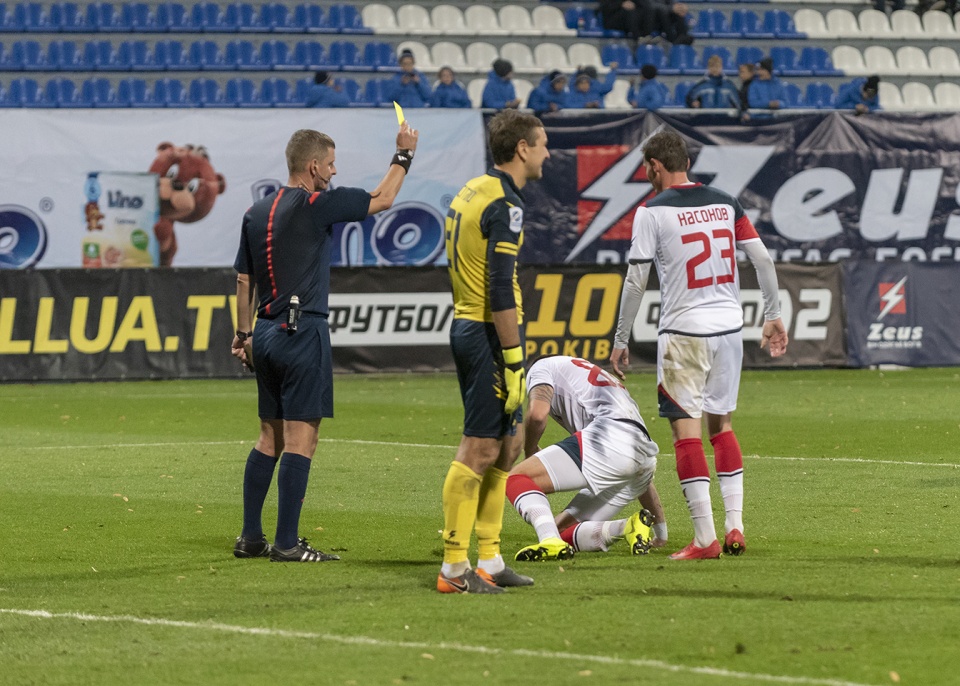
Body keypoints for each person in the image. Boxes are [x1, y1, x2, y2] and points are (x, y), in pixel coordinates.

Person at [231, 123, 419, 562]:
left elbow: (242, 279)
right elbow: (383, 198)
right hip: (302, 332)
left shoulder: (256, 212)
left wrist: (243, 336)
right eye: (331, 164)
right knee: (302, 440)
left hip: (264, 333)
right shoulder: (316, 205)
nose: (334, 172)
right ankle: (286, 543)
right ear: (313, 166)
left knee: (269, 437)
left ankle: (251, 537)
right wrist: (404, 155)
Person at [609, 131, 788, 560]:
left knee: (685, 434)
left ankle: (705, 539)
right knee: (722, 427)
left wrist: (620, 338)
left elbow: (636, 280)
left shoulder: (651, 211)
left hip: (684, 334)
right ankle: (735, 525)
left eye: (646, 167)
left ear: (655, 166)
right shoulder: (726, 202)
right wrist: (773, 314)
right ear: (686, 162)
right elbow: (763, 259)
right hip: (729, 330)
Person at [438, 109, 550, 594]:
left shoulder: (473, 189)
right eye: (542, 143)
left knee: (508, 443)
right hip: (487, 333)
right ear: (522, 148)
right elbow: (500, 287)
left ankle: (490, 558)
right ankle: (453, 569)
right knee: (480, 447)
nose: (547, 153)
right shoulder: (505, 204)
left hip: (474, 327)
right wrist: (514, 359)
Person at [506, 356, 668, 560]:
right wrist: (661, 533)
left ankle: (549, 541)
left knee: (518, 478)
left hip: (608, 438)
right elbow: (638, 469)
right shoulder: (586, 373)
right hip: (642, 456)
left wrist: (530, 450)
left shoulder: (542, 366)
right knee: (559, 529)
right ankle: (627, 527)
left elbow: (537, 415)